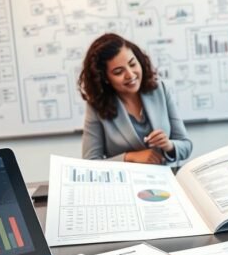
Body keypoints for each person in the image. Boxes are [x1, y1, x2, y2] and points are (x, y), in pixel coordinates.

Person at [79, 33, 192, 164]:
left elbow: (186, 145)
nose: (130, 75)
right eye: (118, 72)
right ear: (104, 78)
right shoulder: (97, 106)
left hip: (166, 179)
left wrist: (168, 145)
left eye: (132, 64)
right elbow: (89, 163)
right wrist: (129, 157)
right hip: (126, 183)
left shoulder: (159, 89)